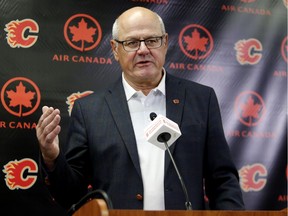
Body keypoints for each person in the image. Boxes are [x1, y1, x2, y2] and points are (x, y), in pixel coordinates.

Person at [36, 6, 245, 211]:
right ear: (115, 50)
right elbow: (72, 195)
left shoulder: (200, 99)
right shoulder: (90, 110)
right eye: (132, 42)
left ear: (165, 43)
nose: (143, 50)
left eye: (152, 40)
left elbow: (222, 180)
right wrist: (52, 157)